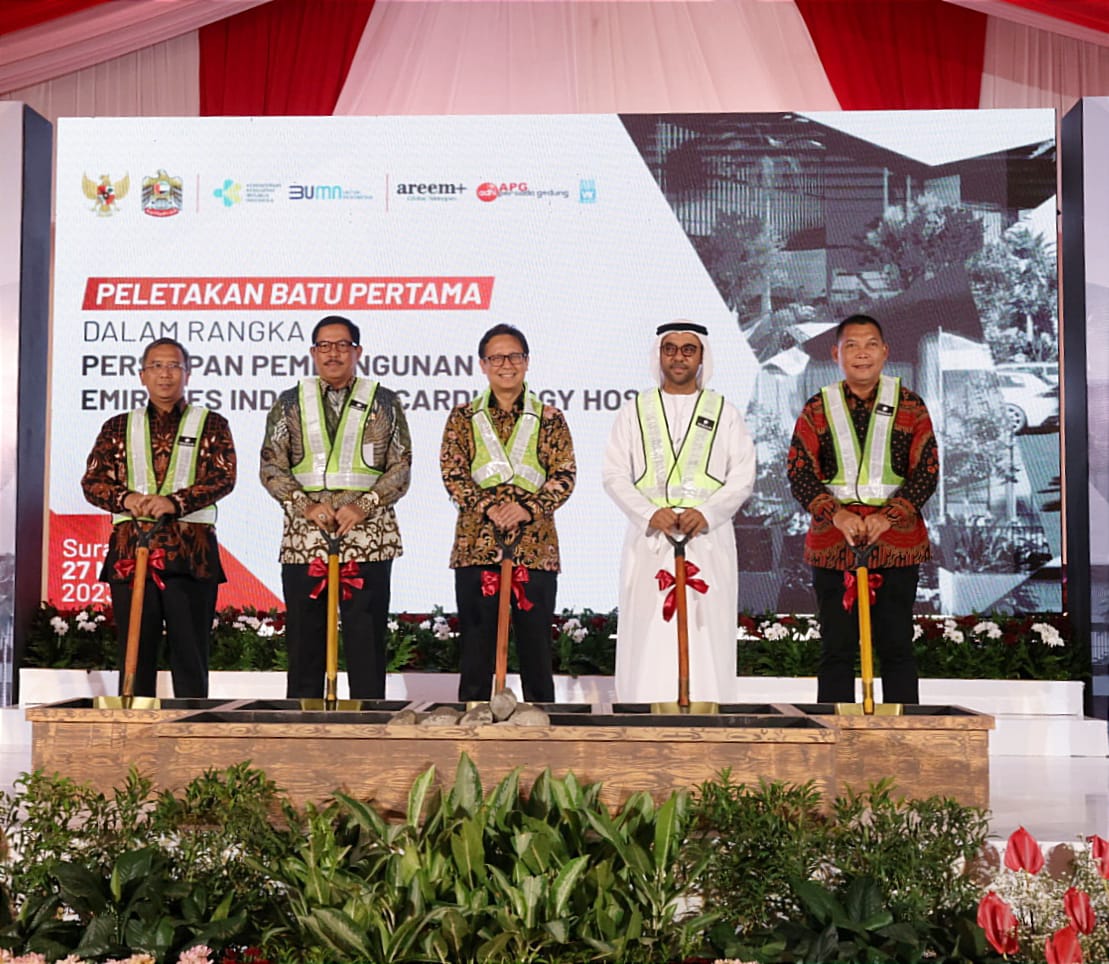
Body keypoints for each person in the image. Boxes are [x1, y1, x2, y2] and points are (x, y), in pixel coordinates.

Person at [787, 313, 939, 704]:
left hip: (896, 543)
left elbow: (927, 471)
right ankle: (833, 742)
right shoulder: (817, 408)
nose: (861, 354)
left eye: (871, 344)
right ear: (836, 353)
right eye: (851, 345)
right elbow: (799, 471)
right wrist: (836, 514)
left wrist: (887, 518)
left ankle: (901, 745)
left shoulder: (910, 405)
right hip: (834, 542)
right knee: (835, 650)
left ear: (885, 351)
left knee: (897, 648)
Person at [602, 321, 756, 706]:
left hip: (707, 539)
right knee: (648, 631)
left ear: (702, 356)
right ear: (659, 354)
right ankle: (643, 712)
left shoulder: (725, 412)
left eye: (689, 350)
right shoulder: (635, 410)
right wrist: (647, 513)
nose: (679, 357)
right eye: (670, 349)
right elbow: (614, 473)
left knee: (708, 630)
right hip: (650, 540)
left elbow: (742, 475)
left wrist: (707, 512)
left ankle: (707, 711)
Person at [260, 315, 411, 700]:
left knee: (366, 637)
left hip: (368, 535)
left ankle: (369, 728)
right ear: (313, 352)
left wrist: (364, 504)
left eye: (342, 345)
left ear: (357, 352)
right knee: (304, 639)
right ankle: (304, 732)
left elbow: (400, 466)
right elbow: (271, 465)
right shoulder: (290, 401)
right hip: (305, 537)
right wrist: (303, 504)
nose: (333, 353)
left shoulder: (384, 401)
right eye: (324, 346)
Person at [81, 337, 236, 698]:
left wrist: (175, 502)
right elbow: (92, 482)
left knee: (190, 652)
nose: (165, 374)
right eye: (157, 366)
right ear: (142, 375)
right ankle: (134, 739)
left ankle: (193, 736)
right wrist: (128, 498)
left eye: (173, 366)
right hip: (130, 554)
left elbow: (223, 477)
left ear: (188, 374)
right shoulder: (118, 426)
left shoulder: (211, 423)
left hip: (190, 555)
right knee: (135, 652)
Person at [440, 323, 576, 703]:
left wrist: (526, 509)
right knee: (476, 652)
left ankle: (540, 735)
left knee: (536, 650)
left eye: (514, 356)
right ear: (483, 365)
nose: (506, 364)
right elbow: (453, 473)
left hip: (535, 548)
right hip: (476, 547)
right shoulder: (463, 417)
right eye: (496, 357)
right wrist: (490, 509)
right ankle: (474, 735)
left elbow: (565, 475)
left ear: (527, 362)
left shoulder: (550, 418)